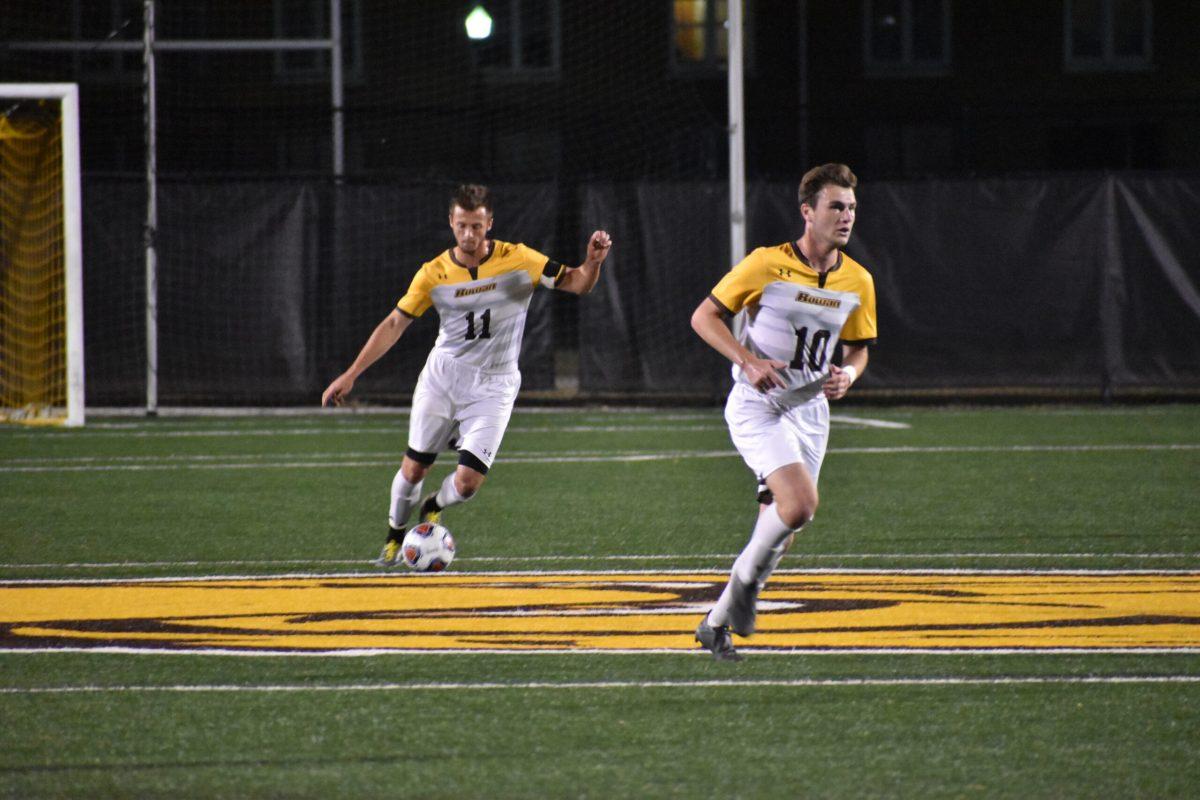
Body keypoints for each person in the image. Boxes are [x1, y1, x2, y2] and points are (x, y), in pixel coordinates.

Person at [322, 184, 612, 565]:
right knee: (413, 468)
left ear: (489, 223)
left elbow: (577, 282)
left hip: (496, 383)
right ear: (451, 223)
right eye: (462, 226)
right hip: (444, 377)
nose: (469, 234)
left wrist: (593, 262)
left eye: (477, 226)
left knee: (468, 483)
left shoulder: (520, 259)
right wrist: (352, 373)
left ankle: (434, 504)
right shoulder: (433, 274)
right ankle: (394, 536)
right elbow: (395, 323)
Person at [690, 163, 877, 661]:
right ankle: (747, 586)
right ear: (807, 212)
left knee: (782, 529)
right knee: (799, 506)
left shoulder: (858, 279)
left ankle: (715, 622)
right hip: (759, 405)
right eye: (836, 206)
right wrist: (747, 361)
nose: (846, 216)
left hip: (810, 412)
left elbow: (859, 349)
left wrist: (850, 375)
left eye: (852, 207)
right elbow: (703, 317)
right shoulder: (765, 264)